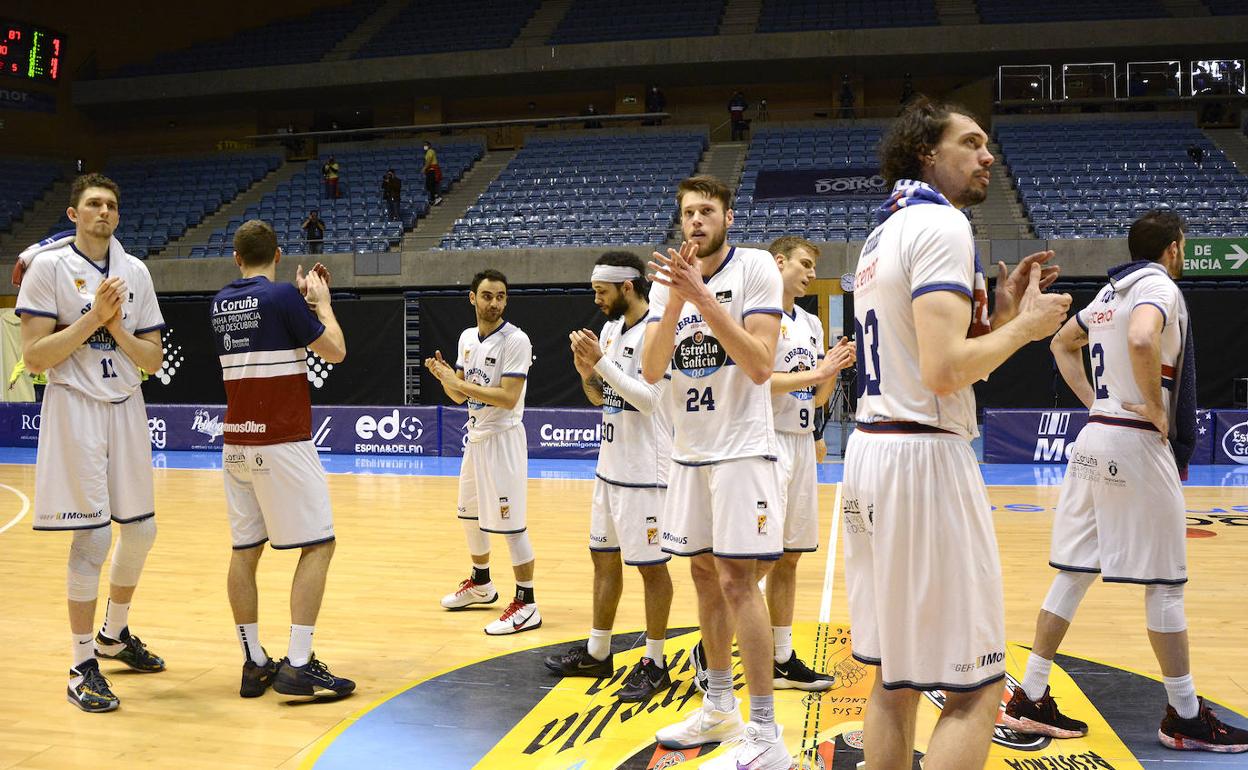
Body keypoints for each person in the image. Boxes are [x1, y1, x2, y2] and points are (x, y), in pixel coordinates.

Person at [841, 96, 1069, 770]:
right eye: (970, 143)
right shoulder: (941, 226)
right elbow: (943, 373)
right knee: (977, 686)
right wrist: (1026, 328)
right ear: (927, 154)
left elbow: (930, 357)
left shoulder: (882, 234)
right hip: (922, 461)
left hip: (873, 453)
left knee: (895, 674)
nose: (986, 155)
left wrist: (997, 317)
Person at [1003, 210, 1248, 754]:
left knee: (1072, 573)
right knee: (1165, 582)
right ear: (1174, 248)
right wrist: (1156, 408)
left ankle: (1031, 696)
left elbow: (1060, 345)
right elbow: (1142, 339)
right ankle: (1184, 714)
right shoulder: (1156, 286)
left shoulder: (1108, 293)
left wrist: (1097, 403)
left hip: (1095, 436)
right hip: (1134, 439)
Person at [643, 176, 789, 770]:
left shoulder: (756, 269)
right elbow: (653, 370)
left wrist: (703, 299)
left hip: (742, 452)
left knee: (737, 582)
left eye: (706, 211)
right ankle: (719, 704)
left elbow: (759, 365)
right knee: (704, 577)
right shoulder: (665, 288)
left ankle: (765, 731)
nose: (696, 221)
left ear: (728, 216)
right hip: (689, 453)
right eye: (687, 213)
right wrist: (677, 298)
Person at [15, 173, 168, 712]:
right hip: (74, 407)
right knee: (93, 540)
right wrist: (93, 319)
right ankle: (82, 665)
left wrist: (116, 327)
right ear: (72, 213)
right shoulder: (47, 269)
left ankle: (114, 635)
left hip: (126, 406)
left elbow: (150, 360)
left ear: (118, 217)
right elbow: (35, 357)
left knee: (142, 531)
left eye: (110, 205)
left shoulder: (136, 271)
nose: (103, 212)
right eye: (93, 204)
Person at [211, 220, 355, 701]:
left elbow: (268, 322)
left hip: (235, 443)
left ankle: (254, 663)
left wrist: (298, 304)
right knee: (318, 546)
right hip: (282, 442)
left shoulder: (221, 303)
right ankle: (298, 663)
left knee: (244, 552)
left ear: (236, 258)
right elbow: (334, 352)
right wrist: (322, 304)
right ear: (277, 253)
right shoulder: (282, 298)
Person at [545, 252, 674, 701]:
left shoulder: (659, 328)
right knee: (603, 558)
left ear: (627, 287)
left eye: (602, 291)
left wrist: (600, 364)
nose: (595, 299)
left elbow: (650, 400)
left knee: (652, 569)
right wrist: (587, 373)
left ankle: (655, 662)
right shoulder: (610, 329)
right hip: (610, 466)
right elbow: (604, 397)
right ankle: (598, 653)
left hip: (647, 472)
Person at [762, 236, 855, 689]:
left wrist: (832, 367)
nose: (810, 273)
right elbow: (756, 381)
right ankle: (713, 641)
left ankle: (781, 658)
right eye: (803, 264)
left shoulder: (812, 325)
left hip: (799, 443)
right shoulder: (759, 313)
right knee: (758, 557)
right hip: (765, 442)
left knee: (791, 556)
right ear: (778, 263)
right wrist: (816, 372)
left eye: (813, 267)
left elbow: (815, 395)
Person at [426, 269, 539, 636]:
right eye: (488, 296)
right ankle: (481, 583)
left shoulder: (516, 340)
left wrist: (459, 383)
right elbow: (459, 396)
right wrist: (447, 379)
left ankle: (527, 601)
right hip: (474, 439)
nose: (495, 303)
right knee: (468, 515)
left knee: (511, 524)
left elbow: (508, 398)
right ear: (472, 298)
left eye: (501, 296)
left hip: (503, 438)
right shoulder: (466, 339)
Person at [422, 141, 443, 206]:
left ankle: (436, 197)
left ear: (429, 145)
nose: (424, 146)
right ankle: (433, 198)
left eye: (426, 145)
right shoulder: (427, 153)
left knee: (431, 185)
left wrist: (424, 168)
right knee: (429, 185)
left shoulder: (430, 151)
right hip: (430, 171)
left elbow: (429, 161)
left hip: (432, 170)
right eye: (424, 145)